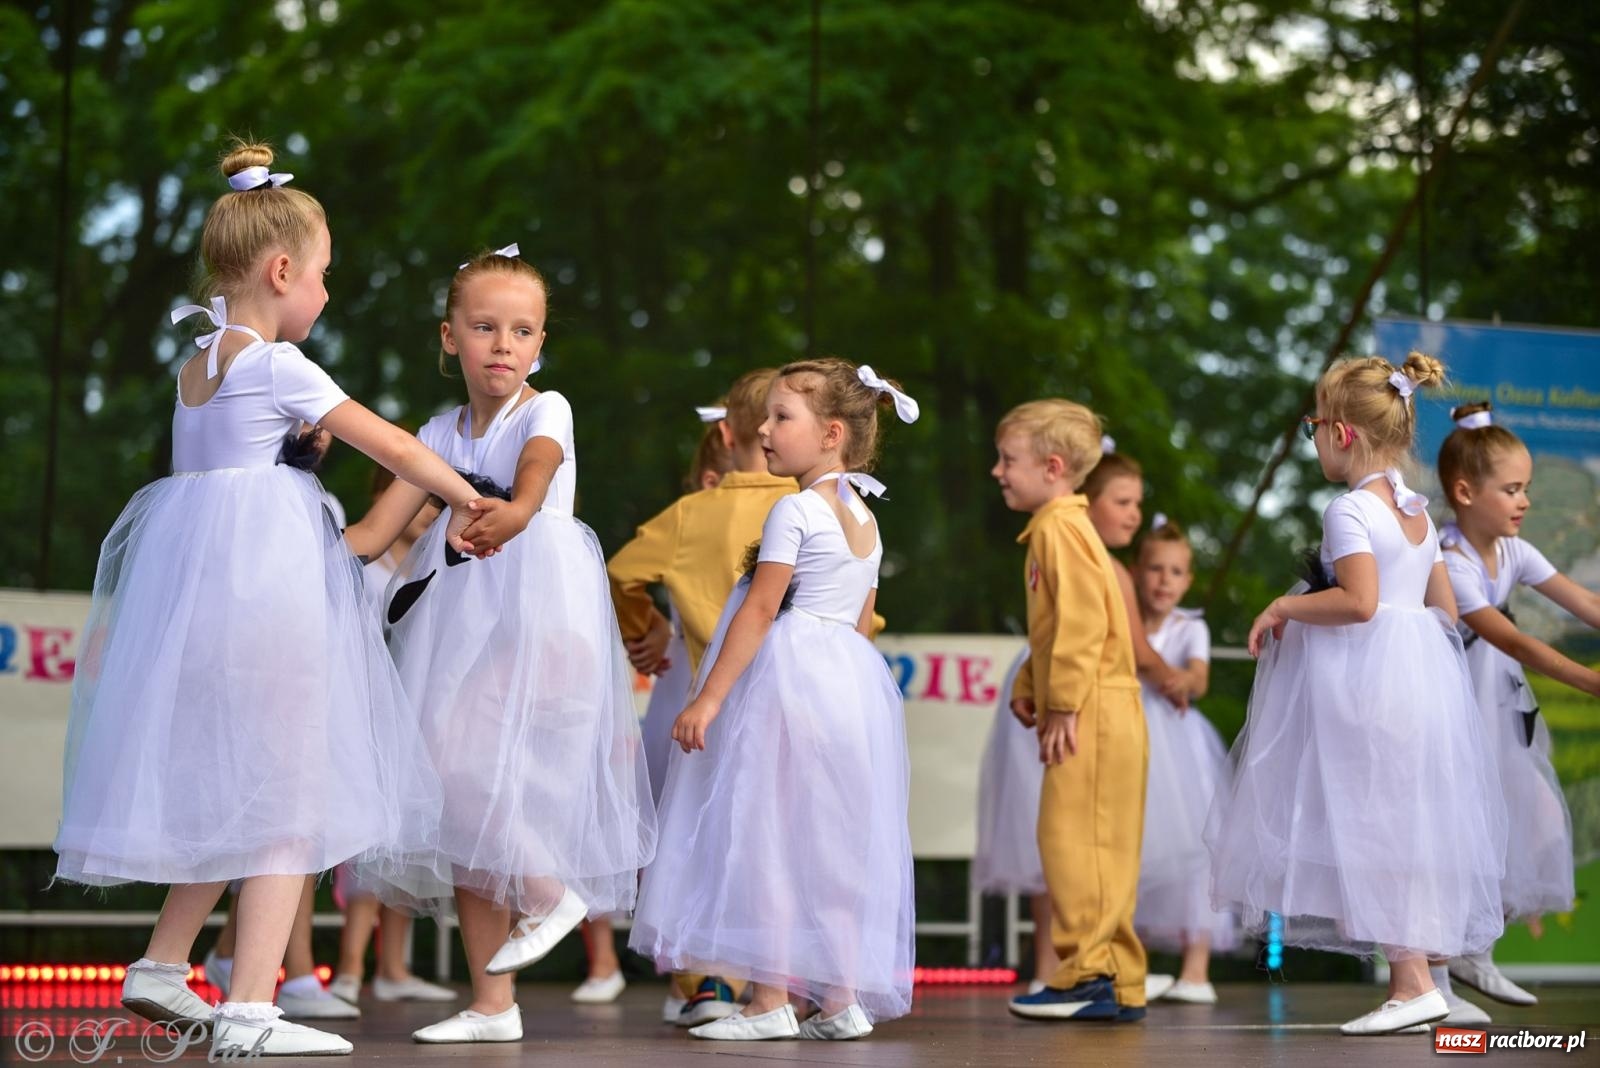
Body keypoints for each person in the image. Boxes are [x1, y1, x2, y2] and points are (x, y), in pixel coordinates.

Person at [53, 140, 487, 1057]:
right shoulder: (282, 366)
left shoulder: (199, 365)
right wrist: (468, 497)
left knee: (238, 788)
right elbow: (396, 448)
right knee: (290, 793)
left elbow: (235, 462)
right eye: (324, 275)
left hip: (202, 605)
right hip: (268, 602)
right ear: (282, 271)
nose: (326, 293)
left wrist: (296, 451)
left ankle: (163, 964)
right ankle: (251, 1010)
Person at [343, 244, 655, 1044]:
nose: (503, 345)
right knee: (457, 794)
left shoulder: (545, 412)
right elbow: (375, 533)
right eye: (484, 328)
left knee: (460, 771)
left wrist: (516, 509)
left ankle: (551, 895)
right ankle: (492, 1003)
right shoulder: (435, 432)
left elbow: (537, 475)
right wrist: (299, 553)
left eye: (522, 331)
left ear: (540, 344)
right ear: (450, 337)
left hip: (537, 621)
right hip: (463, 625)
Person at [1207, 353, 1508, 1035]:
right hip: (1422, 686)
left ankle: (1411, 987)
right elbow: (1444, 612)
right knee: (1411, 831)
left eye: (1314, 427)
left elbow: (1360, 602)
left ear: (1341, 433)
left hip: (1371, 694)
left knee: (1376, 830)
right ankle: (1429, 982)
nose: (1314, 438)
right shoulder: (1419, 516)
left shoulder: (1349, 510)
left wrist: (1284, 607)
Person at [631, 359, 919, 1041]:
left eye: (782, 417)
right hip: (846, 686)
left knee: (768, 835)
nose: (764, 429)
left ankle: (769, 1001)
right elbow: (861, 622)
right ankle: (841, 998)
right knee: (828, 844)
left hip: (789, 683)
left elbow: (759, 611)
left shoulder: (795, 508)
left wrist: (708, 699)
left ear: (832, 434)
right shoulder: (865, 518)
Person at [1435, 402, 1600, 1019]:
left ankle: (1475, 949)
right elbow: (1515, 642)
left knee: (1535, 821)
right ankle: (1436, 976)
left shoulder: (1514, 551)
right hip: (1453, 705)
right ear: (1465, 493)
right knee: (1453, 834)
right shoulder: (1450, 562)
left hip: (1498, 706)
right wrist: (1591, 682)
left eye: (1526, 488)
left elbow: (1585, 602)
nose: (1525, 501)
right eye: (1511, 490)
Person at [994, 401, 1150, 1024]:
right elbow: (1059, 623)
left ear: (1053, 468)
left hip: (1094, 707)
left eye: (1008, 460)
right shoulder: (1062, 527)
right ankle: (1113, 976)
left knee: (1076, 841)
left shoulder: (1059, 529)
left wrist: (1061, 703)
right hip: (1102, 702)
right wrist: (1031, 681)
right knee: (1094, 842)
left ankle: (1090, 972)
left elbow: (1083, 623)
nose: (998, 472)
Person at [1130, 518, 1236, 1003]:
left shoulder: (1191, 627)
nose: (1164, 580)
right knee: (1136, 848)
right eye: (1155, 569)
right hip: (1132, 738)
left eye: (1175, 572)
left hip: (1180, 748)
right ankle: (1134, 963)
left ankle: (1196, 970)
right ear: (1137, 572)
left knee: (1194, 852)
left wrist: (1180, 681)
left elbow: (1199, 678)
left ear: (1188, 580)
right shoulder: (1125, 621)